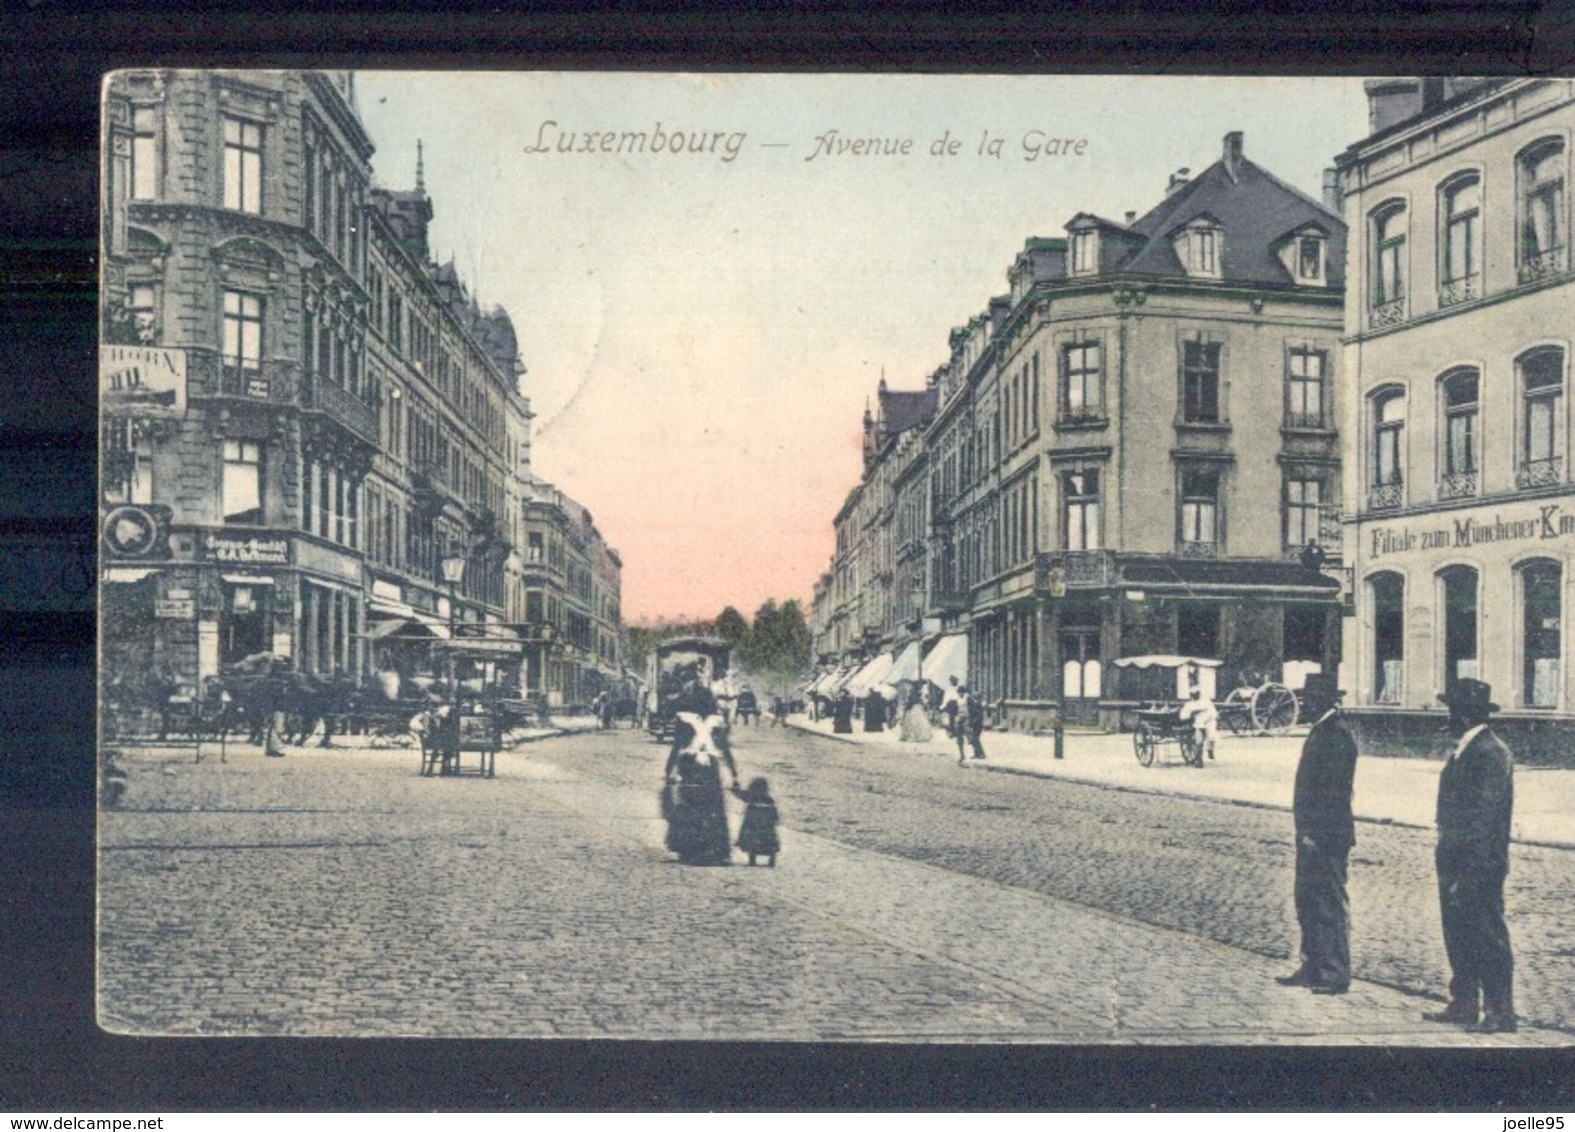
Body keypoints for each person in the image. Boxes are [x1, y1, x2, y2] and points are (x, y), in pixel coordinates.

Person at [1423, 678, 1517, 1033]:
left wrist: (1469, 870)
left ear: (1464, 715)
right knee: (1458, 931)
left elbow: (1484, 818)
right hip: (1455, 859)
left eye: (1453, 710)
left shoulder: (1490, 752)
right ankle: (1463, 1002)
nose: (1448, 716)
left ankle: (1501, 1011)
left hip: (1478, 864)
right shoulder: (1466, 748)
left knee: (1486, 934)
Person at [1276, 674, 1358, 995]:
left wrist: (1315, 834)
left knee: (1328, 902)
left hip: (1327, 836)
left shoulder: (1336, 735)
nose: (1305, 704)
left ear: (1327, 701)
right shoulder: (1322, 730)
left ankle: (1334, 972)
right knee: (1308, 900)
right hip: (1311, 834)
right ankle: (1312, 966)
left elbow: (1334, 793)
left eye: (1311, 699)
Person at [731, 776, 781, 867]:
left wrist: (735, 787)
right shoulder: (768, 799)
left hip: (752, 824)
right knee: (769, 842)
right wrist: (775, 819)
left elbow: (739, 794)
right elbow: (774, 811)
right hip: (766, 826)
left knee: (752, 841)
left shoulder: (751, 797)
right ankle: (771, 858)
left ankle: (752, 859)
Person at [1178, 686, 1218, 766]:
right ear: (1191, 695)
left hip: (1209, 722)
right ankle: (1199, 759)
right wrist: (1192, 714)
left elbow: (1214, 713)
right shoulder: (1189, 705)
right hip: (1198, 724)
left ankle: (1210, 749)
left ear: (1199, 694)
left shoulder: (1206, 702)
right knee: (1198, 741)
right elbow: (1183, 716)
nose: (1195, 695)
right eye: (1193, 694)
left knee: (1212, 735)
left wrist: (1211, 718)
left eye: (1197, 694)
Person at [955, 685, 986, 764]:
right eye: (959, 693)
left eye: (961, 692)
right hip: (960, 720)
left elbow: (973, 709)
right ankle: (969, 754)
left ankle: (980, 753)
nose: (960, 694)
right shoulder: (958, 699)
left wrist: (971, 719)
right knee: (963, 738)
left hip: (967, 720)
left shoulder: (968, 699)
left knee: (972, 738)